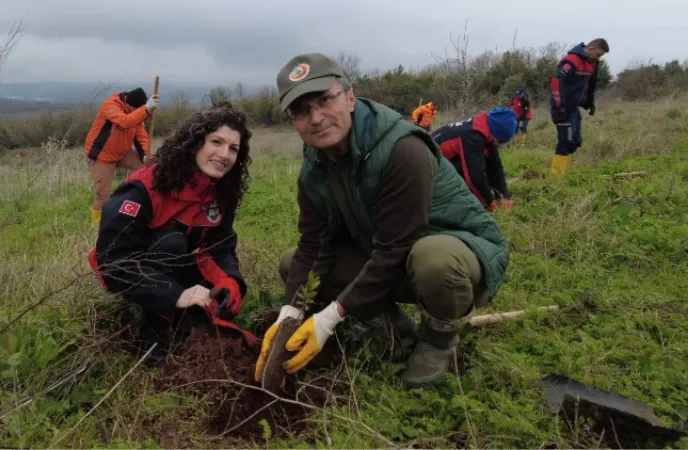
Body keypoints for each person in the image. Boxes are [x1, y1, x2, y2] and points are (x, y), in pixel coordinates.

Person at [253, 53, 510, 388]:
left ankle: (438, 341)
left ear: (349, 97)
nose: (315, 117)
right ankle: (392, 327)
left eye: (324, 100)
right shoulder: (315, 165)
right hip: (391, 255)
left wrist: (330, 316)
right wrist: (290, 312)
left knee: (434, 259)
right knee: (294, 266)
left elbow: (397, 247)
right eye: (301, 110)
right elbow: (313, 245)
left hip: (457, 255)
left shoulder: (403, 148)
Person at [87, 102, 257, 350]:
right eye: (216, 142)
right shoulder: (143, 188)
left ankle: (186, 314)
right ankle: (152, 334)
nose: (224, 155)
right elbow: (113, 263)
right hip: (133, 273)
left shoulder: (221, 192)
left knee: (220, 306)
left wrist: (231, 281)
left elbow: (220, 245)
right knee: (172, 242)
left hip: (182, 261)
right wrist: (175, 294)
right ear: (196, 142)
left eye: (233, 149)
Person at [85, 87, 160, 227]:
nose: (134, 112)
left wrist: (145, 155)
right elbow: (125, 121)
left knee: (147, 167)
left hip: (122, 153)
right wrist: (146, 109)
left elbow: (141, 135)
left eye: (137, 111)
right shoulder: (110, 105)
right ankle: (97, 225)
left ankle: (142, 200)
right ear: (127, 103)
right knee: (103, 194)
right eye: (133, 110)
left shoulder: (136, 113)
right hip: (101, 156)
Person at [431, 107, 517, 211]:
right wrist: (490, 203)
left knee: (483, 164)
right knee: (473, 170)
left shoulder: (485, 128)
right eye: (501, 141)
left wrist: (503, 196)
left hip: (444, 161)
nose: (500, 145)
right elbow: (474, 176)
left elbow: (495, 166)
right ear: (497, 135)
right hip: (428, 167)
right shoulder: (473, 136)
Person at [549, 38, 609, 178]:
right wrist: (560, 106)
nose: (598, 59)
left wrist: (590, 102)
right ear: (591, 49)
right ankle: (556, 176)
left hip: (574, 109)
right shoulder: (571, 60)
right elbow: (557, 81)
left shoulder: (591, 64)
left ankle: (560, 172)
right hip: (561, 108)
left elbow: (590, 85)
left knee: (575, 142)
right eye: (598, 55)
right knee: (566, 142)